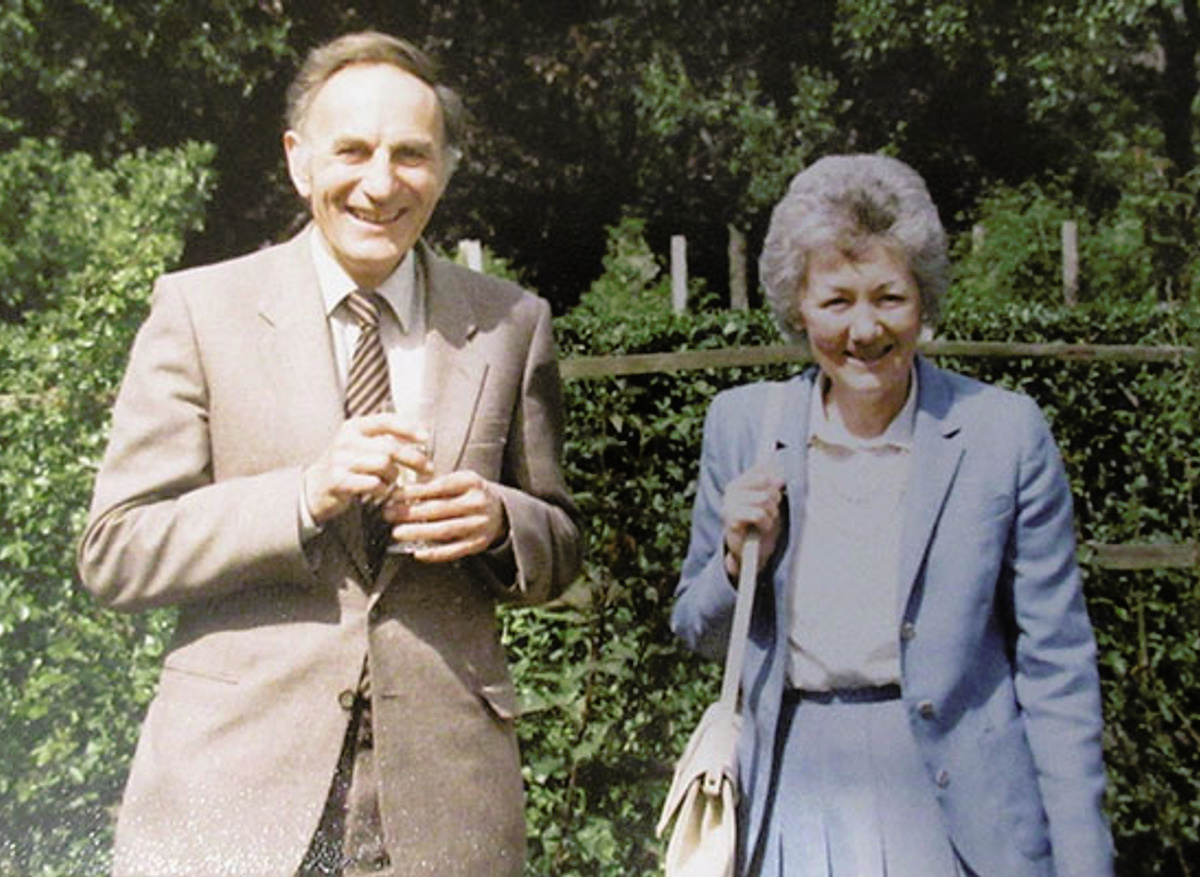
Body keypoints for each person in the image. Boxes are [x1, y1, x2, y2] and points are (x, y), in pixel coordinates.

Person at [77, 31, 581, 877]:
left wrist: (500, 523)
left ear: (445, 169)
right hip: (234, 793)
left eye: (411, 154)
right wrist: (302, 495)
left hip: (444, 801)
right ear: (298, 160)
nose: (381, 183)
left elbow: (560, 540)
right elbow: (115, 550)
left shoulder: (509, 323)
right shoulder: (200, 311)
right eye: (352, 151)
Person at [670, 154, 1113, 876]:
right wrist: (733, 559)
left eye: (889, 297)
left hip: (956, 802)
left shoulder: (1004, 432)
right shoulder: (743, 425)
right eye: (836, 301)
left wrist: (1084, 860)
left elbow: (1056, 667)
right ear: (797, 306)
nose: (866, 329)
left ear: (923, 300)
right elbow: (696, 628)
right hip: (794, 794)